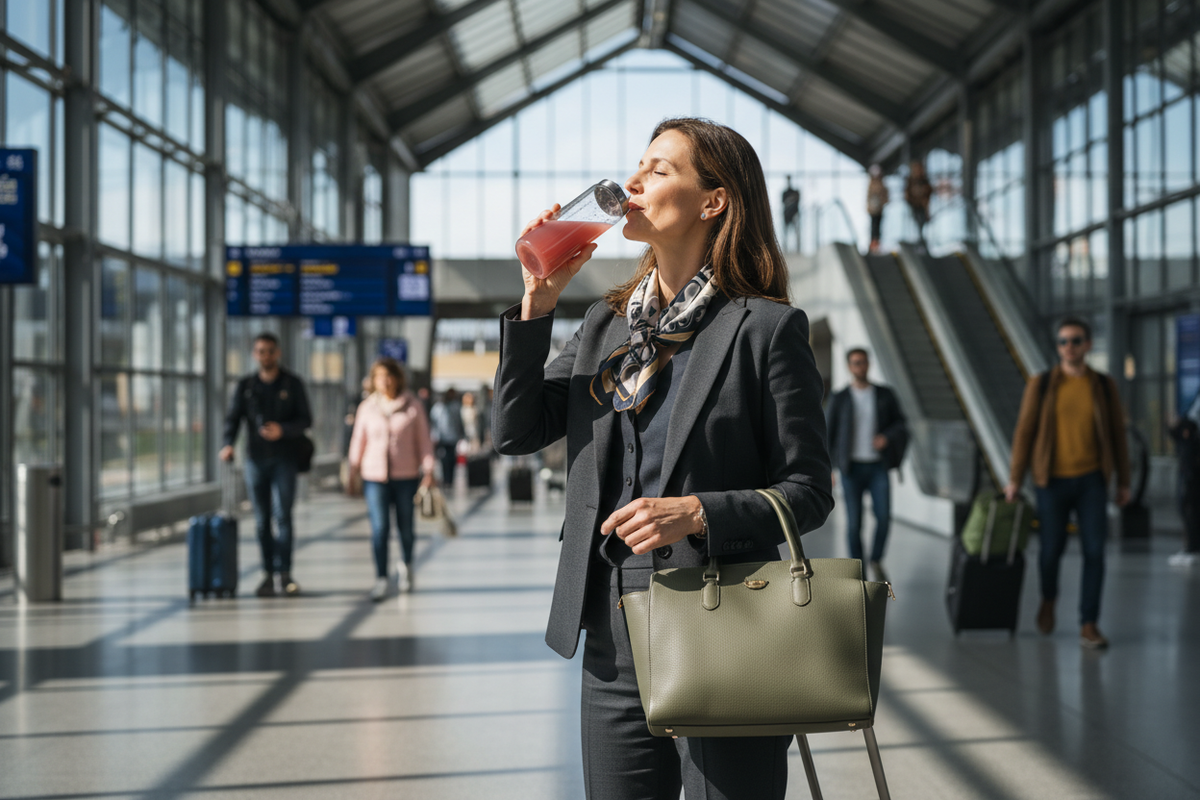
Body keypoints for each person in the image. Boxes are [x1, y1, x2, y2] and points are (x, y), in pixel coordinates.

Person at [492, 117, 833, 800]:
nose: (634, 182)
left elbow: (809, 491)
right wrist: (538, 303)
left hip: (725, 624)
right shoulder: (606, 326)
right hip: (612, 629)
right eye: (637, 166)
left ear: (714, 201)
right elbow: (517, 430)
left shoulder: (764, 329)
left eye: (659, 169)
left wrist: (698, 513)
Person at [1006, 317, 1131, 649]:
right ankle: (1049, 598)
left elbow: (1118, 435)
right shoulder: (1042, 384)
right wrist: (1015, 479)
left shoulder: (1103, 386)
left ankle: (1089, 623)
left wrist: (1124, 481)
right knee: (1050, 552)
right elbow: (1024, 433)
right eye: (1063, 342)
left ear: (1088, 345)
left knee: (1095, 552)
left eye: (1075, 341)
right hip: (1052, 481)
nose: (1069, 347)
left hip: (1092, 480)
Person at [220, 332, 313, 598]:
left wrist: (282, 430)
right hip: (255, 460)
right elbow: (233, 418)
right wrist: (227, 444)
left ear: (278, 352)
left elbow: (306, 419)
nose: (266, 356)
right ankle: (266, 574)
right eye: (261, 351)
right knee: (261, 521)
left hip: (285, 459)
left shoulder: (292, 384)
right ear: (254, 354)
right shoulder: (246, 386)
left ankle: (284, 573)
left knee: (283, 517)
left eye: (270, 351)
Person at [348, 358, 437, 599]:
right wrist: (352, 471)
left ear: (398, 378)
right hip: (374, 477)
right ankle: (381, 578)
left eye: (388, 376)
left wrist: (428, 471)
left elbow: (424, 442)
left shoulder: (412, 406)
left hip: (406, 476)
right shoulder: (367, 408)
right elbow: (358, 441)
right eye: (379, 376)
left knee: (405, 527)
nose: (384, 381)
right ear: (373, 380)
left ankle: (406, 566)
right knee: (379, 528)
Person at [825, 347, 908, 582]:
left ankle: (876, 558)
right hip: (851, 469)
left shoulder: (884, 394)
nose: (860, 366)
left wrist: (887, 437)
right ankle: (857, 567)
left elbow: (901, 423)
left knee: (883, 517)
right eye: (855, 362)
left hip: (878, 467)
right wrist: (829, 467)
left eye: (863, 362)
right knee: (854, 524)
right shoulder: (840, 398)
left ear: (869, 364)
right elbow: (829, 433)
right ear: (849, 367)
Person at [1168, 391, 1200, 566]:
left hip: (1193, 467)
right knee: (1187, 505)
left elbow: (1191, 427)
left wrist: (1181, 427)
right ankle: (1192, 547)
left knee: (1189, 506)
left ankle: (1193, 548)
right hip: (1189, 465)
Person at [429, 387, 464, 486]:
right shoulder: (438, 407)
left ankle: (450, 479)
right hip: (442, 438)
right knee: (444, 459)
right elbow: (434, 423)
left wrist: (461, 434)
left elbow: (459, 422)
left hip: (452, 437)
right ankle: (446, 479)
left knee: (451, 458)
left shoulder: (455, 406)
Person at [904, 160, 932, 249]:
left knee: (922, 222)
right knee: (916, 221)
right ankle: (917, 239)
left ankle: (921, 239)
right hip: (914, 205)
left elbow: (929, 190)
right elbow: (907, 193)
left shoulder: (924, 180)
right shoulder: (911, 180)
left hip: (922, 205)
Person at [866, 164, 888, 253]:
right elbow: (869, 197)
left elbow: (885, 196)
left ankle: (876, 244)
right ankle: (873, 244)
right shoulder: (871, 184)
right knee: (873, 227)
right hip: (873, 210)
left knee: (877, 227)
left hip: (879, 209)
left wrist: (883, 202)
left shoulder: (881, 184)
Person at [781, 175, 801, 252]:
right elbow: (783, 202)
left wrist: (791, 199)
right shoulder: (785, 193)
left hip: (794, 215)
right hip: (786, 215)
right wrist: (792, 198)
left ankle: (798, 248)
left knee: (796, 232)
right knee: (785, 233)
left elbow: (798, 199)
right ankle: (785, 248)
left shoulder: (794, 191)